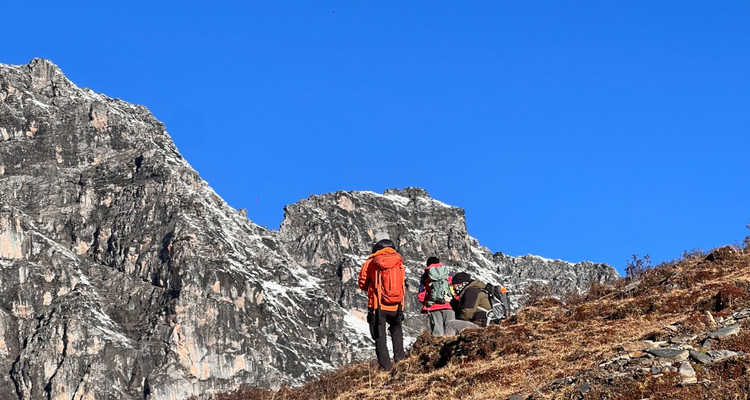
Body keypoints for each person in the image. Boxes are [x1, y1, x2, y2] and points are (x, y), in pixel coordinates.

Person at [358, 239, 406, 370]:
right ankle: (400, 360)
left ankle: (386, 367)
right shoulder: (398, 261)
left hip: (377, 306)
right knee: (396, 330)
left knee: (380, 336)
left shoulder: (371, 262)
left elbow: (362, 284)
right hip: (396, 305)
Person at [417, 256, 455, 336]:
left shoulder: (426, 276)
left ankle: (439, 348)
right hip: (448, 306)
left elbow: (421, 295)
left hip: (433, 307)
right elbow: (452, 289)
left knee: (437, 332)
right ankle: (450, 347)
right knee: (451, 330)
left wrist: (426, 303)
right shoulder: (446, 274)